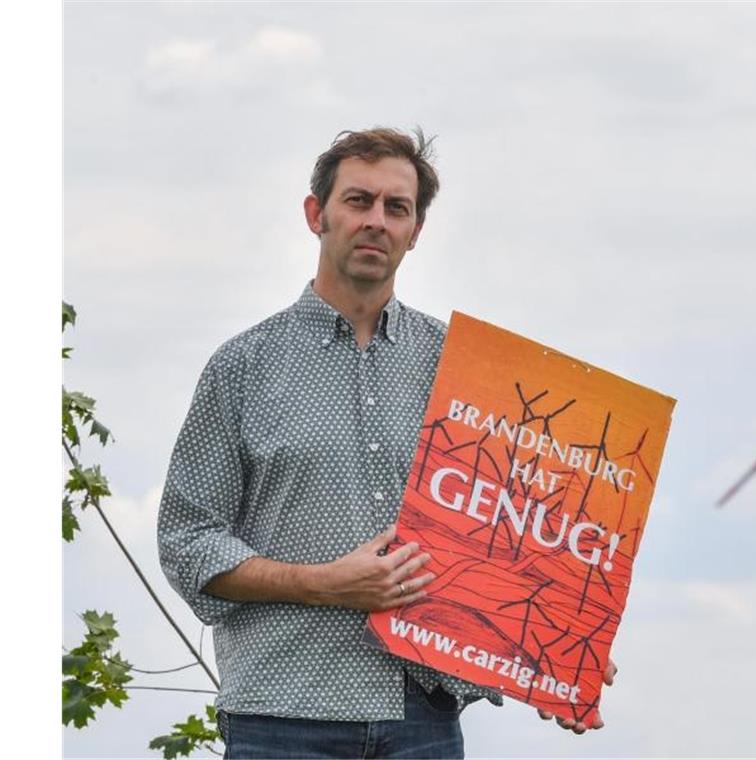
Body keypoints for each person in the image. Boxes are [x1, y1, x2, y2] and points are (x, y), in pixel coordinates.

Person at [156, 127, 613, 760]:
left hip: (420, 715)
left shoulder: (464, 375)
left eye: (396, 208)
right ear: (317, 214)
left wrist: (560, 649)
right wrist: (325, 583)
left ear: (416, 230)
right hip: (281, 714)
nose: (376, 221)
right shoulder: (242, 367)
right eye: (358, 201)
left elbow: (514, 534)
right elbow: (188, 543)